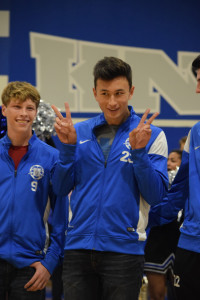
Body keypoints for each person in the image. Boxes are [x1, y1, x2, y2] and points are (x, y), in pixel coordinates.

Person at [51, 56, 169, 300]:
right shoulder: (78, 132)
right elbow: (60, 189)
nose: (112, 101)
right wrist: (67, 150)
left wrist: (139, 153)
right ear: (95, 93)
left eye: (119, 93)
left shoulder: (152, 135)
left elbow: (156, 195)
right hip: (77, 249)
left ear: (131, 91)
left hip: (124, 251)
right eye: (105, 93)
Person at [0, 81, 66, 300]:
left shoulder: (52, 157)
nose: (23, 114)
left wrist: (49, 263)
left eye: (29, 108)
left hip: (31, 264)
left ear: (36, 112)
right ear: (4, 110)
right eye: (17, 107)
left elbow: (60, 217)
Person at [148, 54, 200, 300]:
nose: (197, 89)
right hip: (191, 244)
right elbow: (180, 188)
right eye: (197, 81)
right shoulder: (196, 133)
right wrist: (148, 215)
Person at [144, 150, 182, 300]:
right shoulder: (158, 180)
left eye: (173, 160)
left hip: (181, 242)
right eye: (167, 160)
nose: (168, 163)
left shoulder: (189, 181)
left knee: (180, 293)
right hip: (158, 240)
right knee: (156, 294)